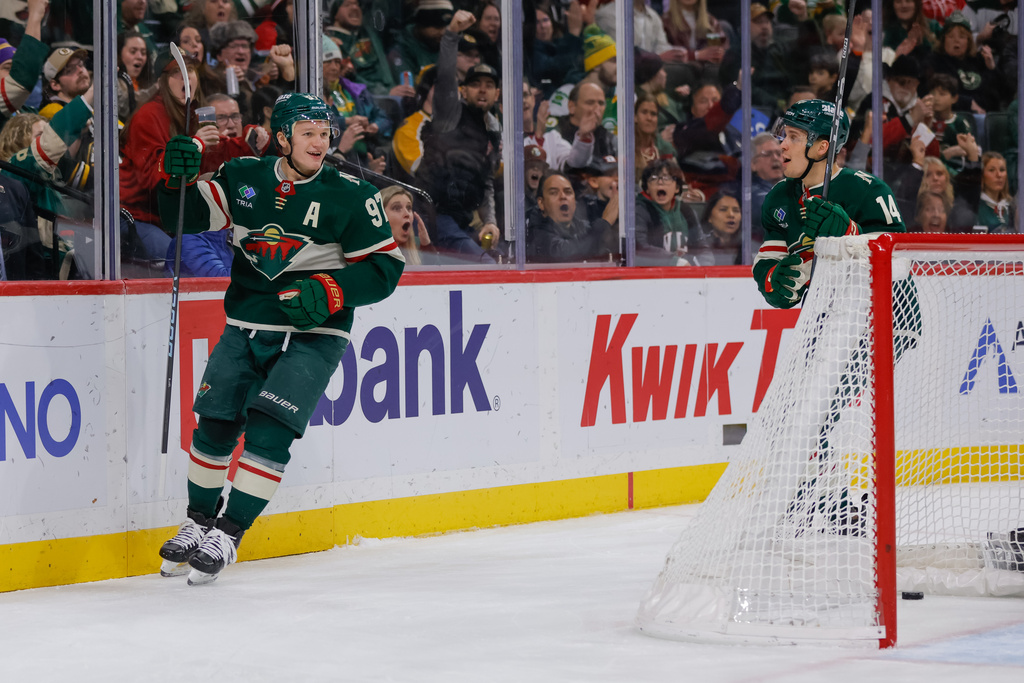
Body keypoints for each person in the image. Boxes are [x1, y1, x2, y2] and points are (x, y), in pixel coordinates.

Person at [155, 92, 405, 585]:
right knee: (215, 424)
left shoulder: (351, 194)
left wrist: (333, 288)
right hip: (247, 322)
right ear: (283, 137)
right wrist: (175, 180)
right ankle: (197, 521)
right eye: (308, 132)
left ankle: (228, 531)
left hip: (315, 334)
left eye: (325, 133)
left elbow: (385, 267)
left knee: (270, 432)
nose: (319, 141)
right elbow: (180, 218)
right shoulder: (244, 176)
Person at [755, 99, 908, 309]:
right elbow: (769, 259)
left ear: (822, 147)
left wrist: (850, 234)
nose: (782, 144)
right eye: (784, 134)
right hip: (824, 319)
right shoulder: (778, 197)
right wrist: (776, 280)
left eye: (794, 137)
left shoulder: (869, 191)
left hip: (884, 321)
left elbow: (899, 262)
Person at [413, 10, 502, 264]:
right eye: (475, 84)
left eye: (489, 85)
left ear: (497, 94)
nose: (482, 89)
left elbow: (485, 182)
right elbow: (444, 76)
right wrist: (451, 35)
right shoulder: (450, 114)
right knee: (487, 266)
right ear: (463, 90)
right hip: (433, 215)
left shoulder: (493, 129)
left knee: (503, 259)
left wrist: (490, 222)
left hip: (461, 221)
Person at [120, 53, 219, 262]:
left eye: (190, 70)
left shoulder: (193, 114)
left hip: (174, 220)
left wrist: (250, 142)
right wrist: (195, 145)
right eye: (177, 71)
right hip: (138, 219)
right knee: (186, 262)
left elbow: (212, 158)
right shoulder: (148, 116)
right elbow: (151, 180)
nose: (186, 76)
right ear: (160, 82)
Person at [634, 159, 712, 266]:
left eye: (667, 178)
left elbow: (702, 248)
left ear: (677, 188)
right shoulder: (639, 211)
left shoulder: (686, 211)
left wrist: (702, 268)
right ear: (647, 189)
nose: (660, 182)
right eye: (654, 178)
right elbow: (639, 249)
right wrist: (675, 262)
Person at [527, 170, 615, 263]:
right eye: (554, 193)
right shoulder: (535, 231)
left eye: (568, 192)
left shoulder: (581, 226)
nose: (563, 196)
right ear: (541, 203)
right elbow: (564, 253)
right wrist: (605, 223)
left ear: (574, 201)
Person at [325, 0, 408, 98]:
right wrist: (385, 92)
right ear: (335, 14)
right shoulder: (330, 43)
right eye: (347, 4)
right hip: (367, 97)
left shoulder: (370, 32)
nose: (355, 7)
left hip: (390, 91)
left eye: (357, 4)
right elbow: (351, 80)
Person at [381, 184, 434, 266]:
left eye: (409, 208)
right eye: (397, 208)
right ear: (380, 216)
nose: (407, 214)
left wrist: (426, 245)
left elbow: (437, 277)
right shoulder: (365, 256)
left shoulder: (419, 247)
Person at [702, 190, 743, 265]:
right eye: (723, 209)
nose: (731, 215)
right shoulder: (699, 245)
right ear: (709, 217)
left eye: (736, 210)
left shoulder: (748, 245)